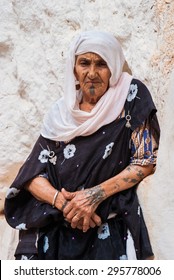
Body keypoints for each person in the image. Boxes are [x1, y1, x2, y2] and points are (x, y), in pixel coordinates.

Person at [4, 30, 160, 260]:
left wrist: (94, 195)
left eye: (102, 64)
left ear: (114, 68)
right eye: (84, 63)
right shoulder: (61, 113)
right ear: (74, 69)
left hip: (110, 228)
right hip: (57, 230)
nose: (92, 73)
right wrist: (63, 202)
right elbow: (30, 175)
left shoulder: (131, 97)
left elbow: (145, 162)